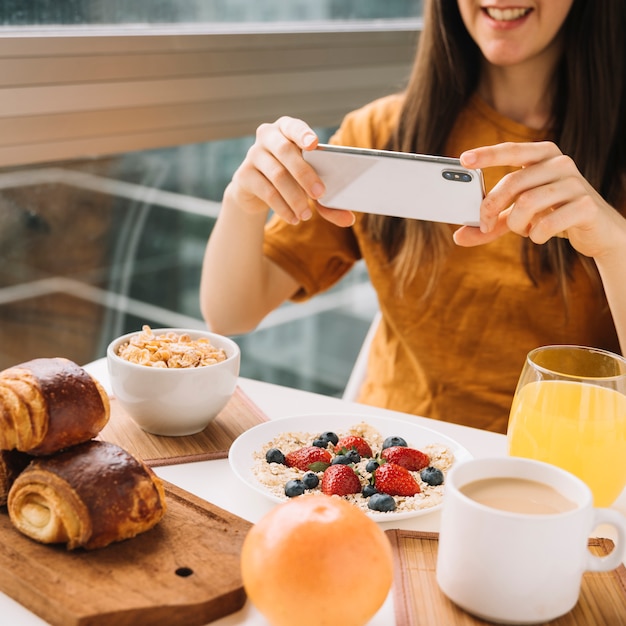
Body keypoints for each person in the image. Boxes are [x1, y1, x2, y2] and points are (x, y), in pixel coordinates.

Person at [200, 0, 626, 433]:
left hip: (554, 471)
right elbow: (231, 314)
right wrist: (243, 200)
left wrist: (614, 244)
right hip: (384, 462)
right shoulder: (383, 130)